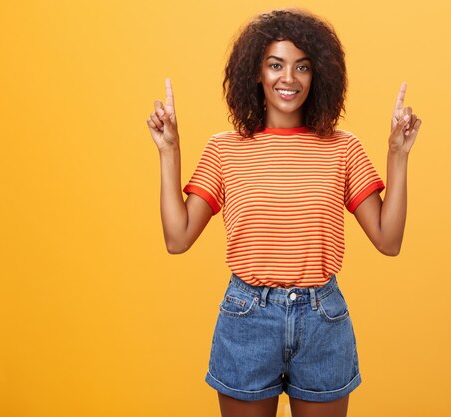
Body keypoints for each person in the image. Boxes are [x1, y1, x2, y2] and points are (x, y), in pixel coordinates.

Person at [146, 8, 422, 417]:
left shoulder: (343, 149)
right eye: (275, 65)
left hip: (322, 320)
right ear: (256, 73)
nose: (288, 79)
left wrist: (397, 154)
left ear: (317, 76)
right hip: (247, 318)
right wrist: (169, 150)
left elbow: (389, 240)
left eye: (302, 67)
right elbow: (177, 238)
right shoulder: (225, 150)